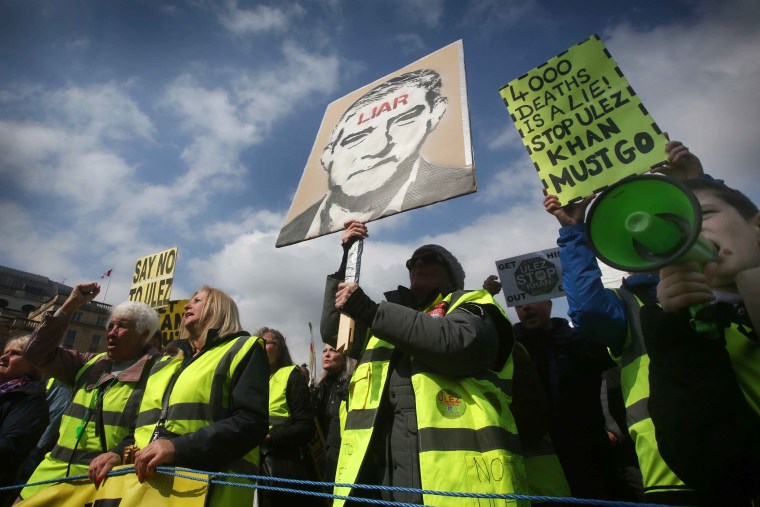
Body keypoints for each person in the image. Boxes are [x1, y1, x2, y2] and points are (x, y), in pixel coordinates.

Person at [542, 139, 703, 505]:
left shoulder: (724, 277)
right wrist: (572, 229)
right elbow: (588, 311)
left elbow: (739, 234)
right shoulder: (629, 305)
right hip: (672, 477)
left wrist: (697, 186)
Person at [321, 220, 525, 507]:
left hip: (452, 486)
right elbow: (336, 330)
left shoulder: (470, 302)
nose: (417, 264)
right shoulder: (387, 322)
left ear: (452, 277)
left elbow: (460, 343)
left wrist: (371, 311)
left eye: (429, 259)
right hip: (375, 480)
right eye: (412, 261)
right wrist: (348, 259)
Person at [641, 178, 760, 505]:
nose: (688, 233)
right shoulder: (690, 334)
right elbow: (715, 470)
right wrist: (678, 335)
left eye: (703, 214)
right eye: (679, 227)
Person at [276, 69, 475, 246]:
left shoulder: (454, 181)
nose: (379, 147)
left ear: (435, 114)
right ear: (327, 155)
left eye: (404, 120)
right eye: (356, 138)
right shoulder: (295, 228)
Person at [19, 283, 159, 501]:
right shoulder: (87, 363)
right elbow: (36, 352)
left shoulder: (157, 372)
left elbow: (150, 429)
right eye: (110, 326)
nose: (111, 333)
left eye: (121, 327)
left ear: (144, 335)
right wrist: (72, 303)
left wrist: (118, 453)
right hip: (42, 483)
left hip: (96, 488)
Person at [132, 286, 268, 507]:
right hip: (147, 487)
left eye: (197, 300)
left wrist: (178, 448)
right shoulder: (166, 361)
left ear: (219, 309)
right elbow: (140, 422)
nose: (187, 305)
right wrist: (117, 453)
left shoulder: (243, 348)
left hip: (210, 490)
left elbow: (251, 422)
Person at [512, 300, 623, 501]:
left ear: (548, 304)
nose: (525, 308)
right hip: (542, 455)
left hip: (590, 452)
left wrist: (614, 429)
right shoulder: (513, 350)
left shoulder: (579, 342)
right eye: (519, 305)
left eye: (531, 302)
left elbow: (612, 383)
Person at [258, 327, 320, 507]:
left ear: (279, 348)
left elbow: (306, 427)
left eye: (265, 342)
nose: (259, 347)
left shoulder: (291, 376)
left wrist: (269, 438)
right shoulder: (250, 380)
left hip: (278, 471)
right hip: (249, 470)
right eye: (256, 343)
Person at [0, 335, 47, 507]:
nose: (4, 357)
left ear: (32, 366)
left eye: (14, 354)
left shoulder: (31, 401)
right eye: (6, 352)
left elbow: (9, 448)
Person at [312, 343, 353, 482]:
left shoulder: (350, 384)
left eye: (333, 350)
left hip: (340, 452)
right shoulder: (317, 388)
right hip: (318, 451)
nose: (326, 354)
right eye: (324, 351)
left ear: (344, 358)